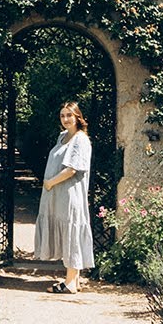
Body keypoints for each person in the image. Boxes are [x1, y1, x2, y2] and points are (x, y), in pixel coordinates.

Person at [34, 101, 94, 294]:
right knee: (69, 232)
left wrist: (51, 182)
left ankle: (69, 283)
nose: (66, 119)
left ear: (78, 117)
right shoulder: (63, 137)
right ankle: (73, 280)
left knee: (72, 233)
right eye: (62, 115)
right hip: (58, 196)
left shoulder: (80, 139)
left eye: (69, 115)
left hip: (70, 195)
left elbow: (72, 169)